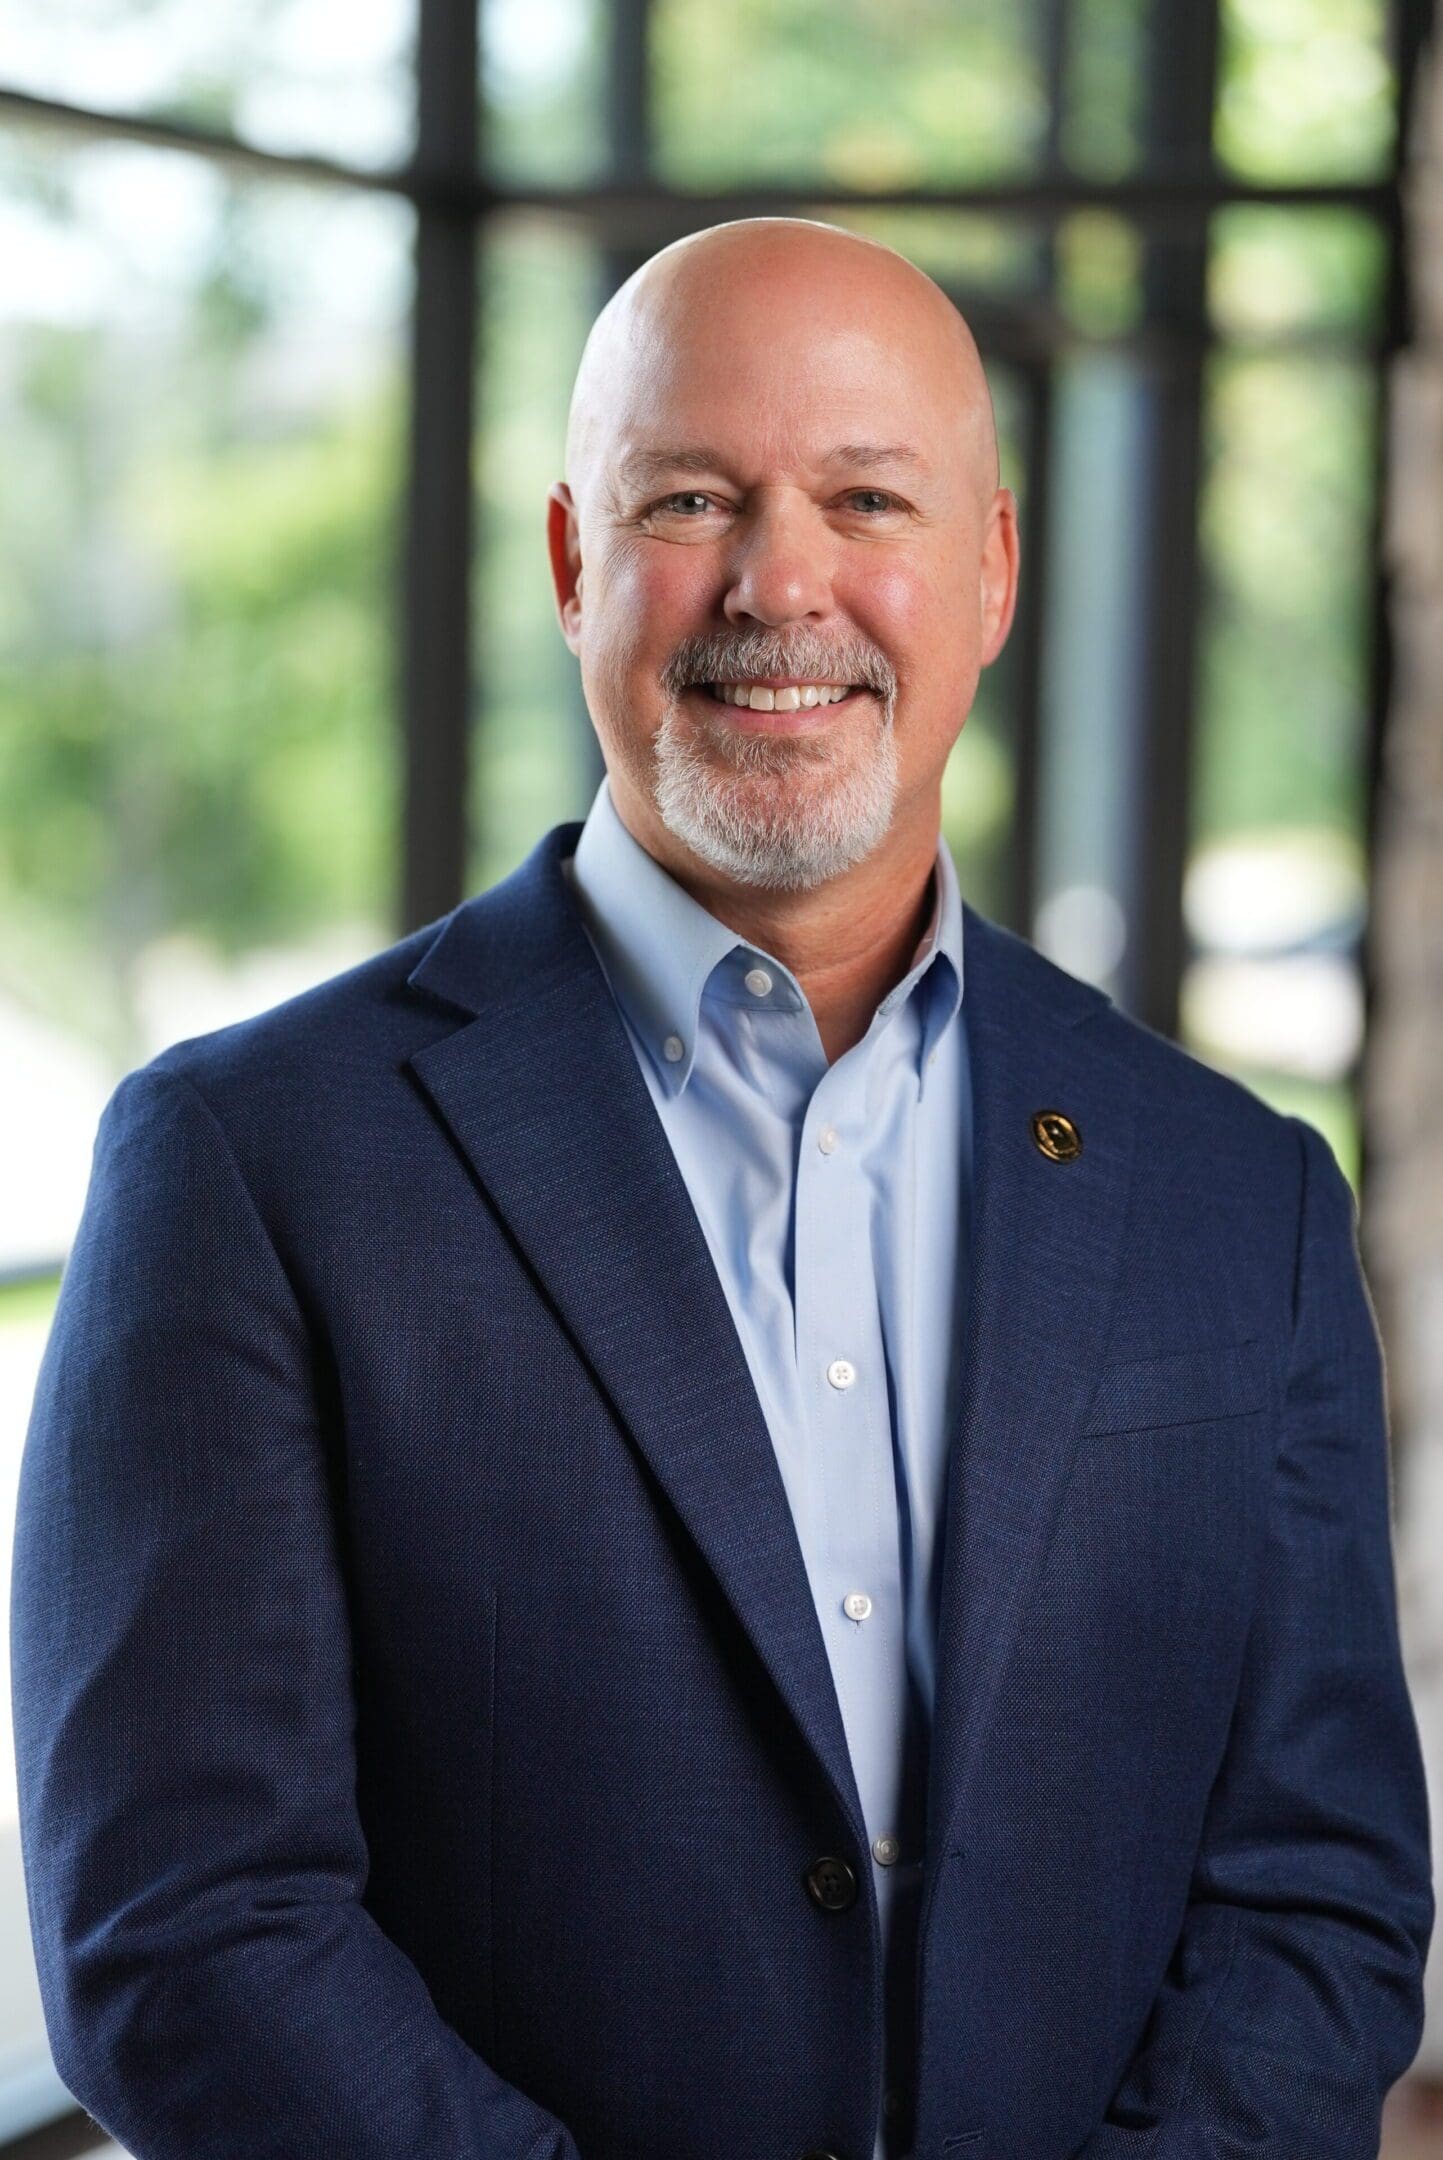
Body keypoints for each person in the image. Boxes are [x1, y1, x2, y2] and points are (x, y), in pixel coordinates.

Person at [10, 217, 1434, 2160]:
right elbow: (183, 1936)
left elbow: (1313, 1891)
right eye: (691, 497)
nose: (781, 583)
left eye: (866, 497)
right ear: (571, 561)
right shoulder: (253, 1166)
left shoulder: (1234, 1193)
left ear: (991, 568)